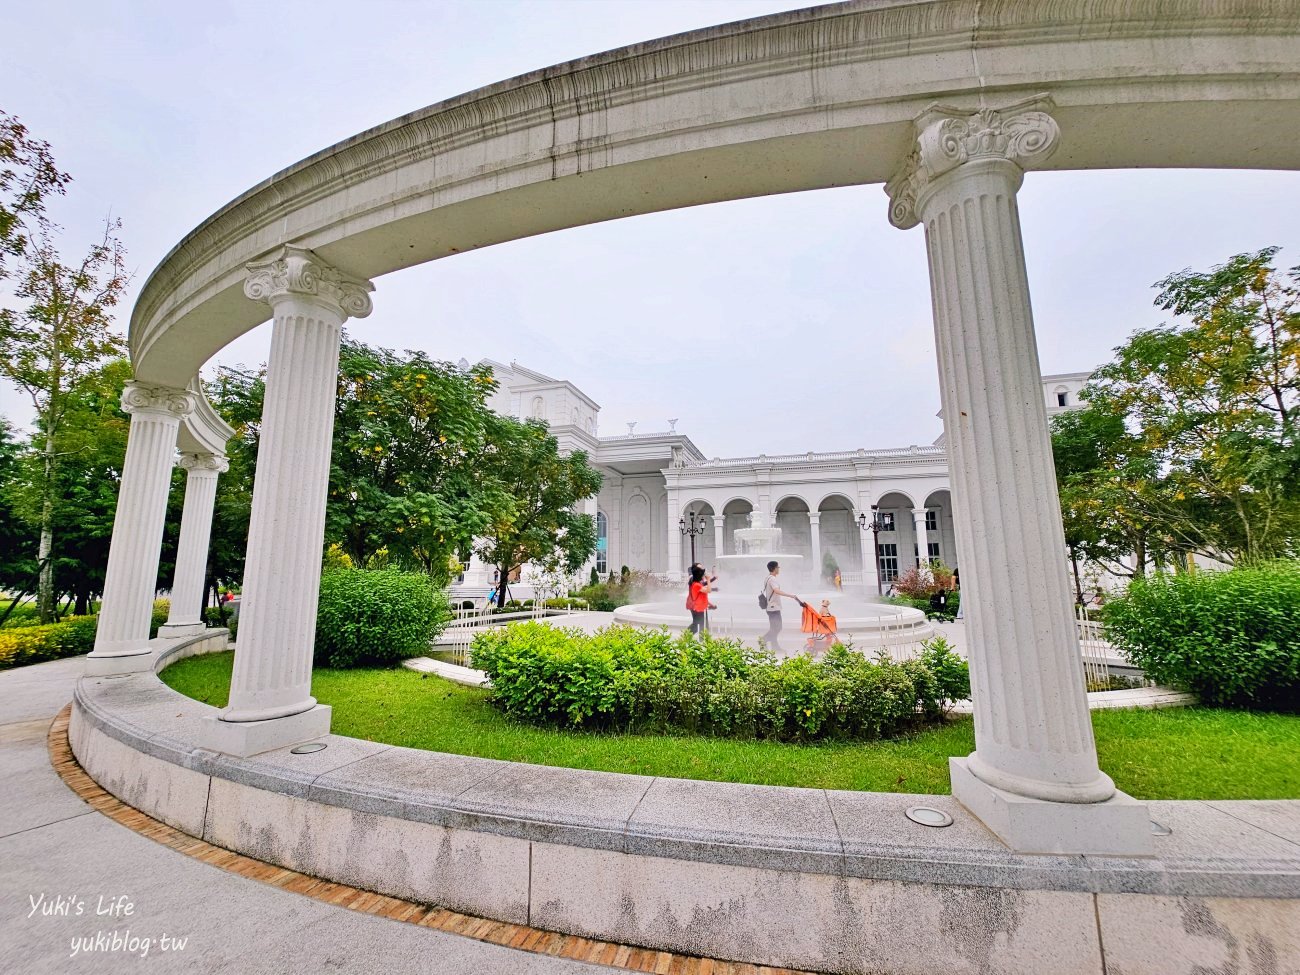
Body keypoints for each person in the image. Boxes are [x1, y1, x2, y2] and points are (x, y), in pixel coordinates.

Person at [761, 560, 803, 652]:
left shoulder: (768, 578)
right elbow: (776, 591)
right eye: (778, 567)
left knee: (774, 628)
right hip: (773, 608)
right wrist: (791, 595)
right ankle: (763, 640)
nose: (779, 569)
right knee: (778, 628)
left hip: (771, 607)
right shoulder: (772, 579)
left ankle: (775, 647)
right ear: (774, 568)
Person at [686, 565, 711, 635]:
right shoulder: (694, 581)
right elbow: (708, 590)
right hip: (696, 606)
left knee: (700, 624)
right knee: (697, 624)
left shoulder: (697, 581)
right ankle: (684, 637)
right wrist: (708, 579)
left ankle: (702, 640)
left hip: (699, 606)